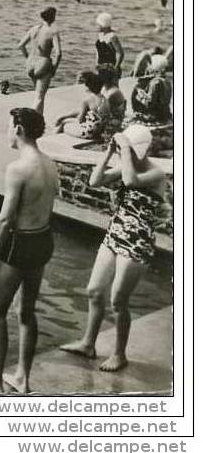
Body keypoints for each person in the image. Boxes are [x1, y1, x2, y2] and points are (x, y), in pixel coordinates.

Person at [60, 125, 166, 372]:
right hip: (115, 235)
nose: (123, 153)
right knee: (94, 290)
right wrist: (108, 154)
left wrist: (126, 148)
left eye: (126, 149)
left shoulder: (156, 174)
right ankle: (88, 343)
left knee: (118, 300)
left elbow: (131, 180)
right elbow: (94, 181)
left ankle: (120, 354)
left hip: (137, 242)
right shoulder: (124, 164)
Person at [0, 108, 57, 394]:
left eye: (9, 126)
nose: (7, 132)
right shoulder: (50, 163)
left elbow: (6, 219)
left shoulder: (18, 168)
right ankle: (22, 377)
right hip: (43, 240)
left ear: (19, 129)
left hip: (20, 243)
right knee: (26, 311)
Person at [18, 6, 62, 114]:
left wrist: (27, 57)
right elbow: (59, 53)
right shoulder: (53, 32)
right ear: (53, 17)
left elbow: (20, 45)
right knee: (39, 97)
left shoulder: (34, 29)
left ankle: (39, 121)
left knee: (39, 95)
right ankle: (30, 120)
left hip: (31, 63)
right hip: (43, 63)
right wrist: (54, 69)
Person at [54, 71, 108, 139]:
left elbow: (80, 121)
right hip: (99, 131)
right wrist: (65, 116)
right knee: (65, 120)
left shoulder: (87, 100)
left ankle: (52, 138)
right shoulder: (105, 99)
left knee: (64, 124)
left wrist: (65, 120)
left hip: (88, 133)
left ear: (88, 86)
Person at [130, 54, 172, 125]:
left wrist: (139, 94)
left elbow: (149, 104)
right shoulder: (167, 82)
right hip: (165, 115)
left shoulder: (155, 83)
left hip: (154, 118)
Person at [94, 12, 125, 80]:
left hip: (110, 67)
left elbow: (121, 53)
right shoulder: (100, 35)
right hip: (101, 66)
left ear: (103, 25)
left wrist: (116, 67)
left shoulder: (112, 37)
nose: (97, 26)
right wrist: (97, 64)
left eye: (99, 25)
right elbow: (98, 52)